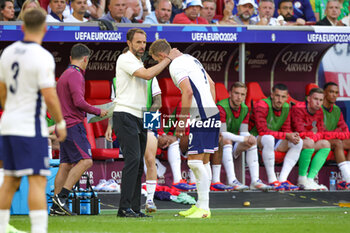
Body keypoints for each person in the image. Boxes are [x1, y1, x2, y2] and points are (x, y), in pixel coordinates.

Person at [0, 8, 67, 233]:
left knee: (9, 179)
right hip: (30, 127)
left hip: (8, 123)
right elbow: (49, 94)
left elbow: (1, 92)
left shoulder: (7, 53)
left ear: (22, 27)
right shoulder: (42, 56)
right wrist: (60, 122)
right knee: (37, 180)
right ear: (45, 29)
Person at [105, 28, 180, 218]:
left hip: (142, 118)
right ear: (129, 43)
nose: (141, 46)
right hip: (125, 115)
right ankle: (124, 208)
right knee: (134, 160)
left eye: (144, 42)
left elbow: (157, 101)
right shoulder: (126, 59)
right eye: (137, 42)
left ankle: (135, 207)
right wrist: (168, 59)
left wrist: (152, 126)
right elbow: (146, 76)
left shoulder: (140, 63)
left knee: (140, 163)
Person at [149, 39, 220, 219]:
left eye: (158, 61)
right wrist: (210, 107)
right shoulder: (191, 59)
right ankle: (201, 206)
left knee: (194, 162)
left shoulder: (176, 65)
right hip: (211, 112)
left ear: (161, 56)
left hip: (202, 115)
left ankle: (204, 208)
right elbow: (212, 84)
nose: (160, 65)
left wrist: (182, 121)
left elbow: (187, 92)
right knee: (202, 162)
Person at [51, 43, 108, 216]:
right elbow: (79, 102)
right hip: (73, 126)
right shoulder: (76, 75)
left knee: (66, 164)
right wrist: (99, 111)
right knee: (86, 161)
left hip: (63, 125)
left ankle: (55, 207)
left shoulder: (64, 75)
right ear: (85, 59)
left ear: (70, 58)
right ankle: (61, 198)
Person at [212, 82, 270, 191]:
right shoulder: (221, 107)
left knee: (252, 141)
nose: (239, 97)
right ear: (230, 93)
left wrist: (249, 137)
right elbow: (222, 132)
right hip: (216, 143)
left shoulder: (245, 108)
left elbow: (243, 131)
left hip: (233, 141)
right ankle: (232, 180)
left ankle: (255, 181)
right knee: (227, 140)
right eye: (236, 93)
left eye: (242, 94)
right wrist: (243, 138)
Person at [249, 84, 302, 191]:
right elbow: (262, 131)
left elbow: (286, 130)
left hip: (273, 138)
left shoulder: (286, 107)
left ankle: (282, 179)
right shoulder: (262, 105)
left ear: (287, 98)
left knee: (298, 142)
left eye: (283, 97)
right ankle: (273, 180)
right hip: (254, 138)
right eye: (277, 96)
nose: (279, 100)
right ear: (272, 95)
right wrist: (287, 135)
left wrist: (292, 136)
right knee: (268, 138)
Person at [292, 88, 331, 190]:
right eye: (315, 99)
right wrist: (312, 135)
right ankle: (302, 179)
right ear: (308, 99)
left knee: (326, 144)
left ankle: (310, 179)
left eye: (321, 100)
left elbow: (321, 132)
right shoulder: (298, 108)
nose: (318, 103)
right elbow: (300, 131)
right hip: (290, 140)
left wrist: (313, 136)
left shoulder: (320, 111)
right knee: (309, 142)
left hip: (307, 141)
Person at [322, 82, 350, 190]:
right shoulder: (319, 108)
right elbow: (321, 133)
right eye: (331, 92)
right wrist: (337, 132)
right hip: (320, 141)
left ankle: (346, 181)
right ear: (324, 93)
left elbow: (346, 131)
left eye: (336, 92)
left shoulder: (337, 110)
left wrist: (335, 133)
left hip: (333, 139)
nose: (334, 95)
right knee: (338, 143)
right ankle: (348, 179)